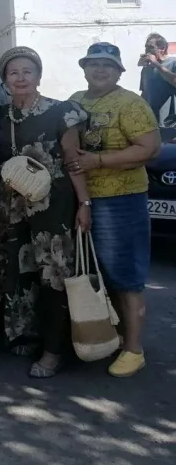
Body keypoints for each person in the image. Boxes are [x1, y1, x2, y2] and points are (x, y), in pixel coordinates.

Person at [0, 47, 90, 378]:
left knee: (54, 276)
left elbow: (74, 163)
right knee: (19, 273)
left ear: (39, 76)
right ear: (4, 80)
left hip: (53, 208)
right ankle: (24, 337)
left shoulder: (62, 112)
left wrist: (85, 204)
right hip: (12, 209)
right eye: (13, 72)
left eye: (27, 71)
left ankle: (53, 350)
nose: (20, 77)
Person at [67, 42, 161, 378]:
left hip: (122, 201)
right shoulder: (76, 100)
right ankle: (110, 337)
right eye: (93, 63)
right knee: (99, 275)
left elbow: (150, 148)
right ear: (84, 68)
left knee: (126, 276)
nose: (99, 69)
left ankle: (134, 349)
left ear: (120, 70)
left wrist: (99, 160)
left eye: (107, 64)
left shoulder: (131, 104)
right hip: (83, 199)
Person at [138, 33, 176, 127]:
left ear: (162, 48)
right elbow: (145, 93)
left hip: (171, 124)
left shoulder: (173, 63)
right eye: (146, 47)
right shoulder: (146, 68)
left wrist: (157, 65)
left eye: (150, 47)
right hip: (152, 123)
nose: (147, 50)